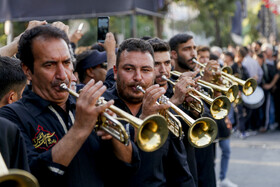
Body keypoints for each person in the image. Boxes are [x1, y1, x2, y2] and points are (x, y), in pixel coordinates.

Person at [0, 25, 139, 187]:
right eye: (49, 65)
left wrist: (116, 137)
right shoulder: (10, 116)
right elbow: (33, 177)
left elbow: (131, 166)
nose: (62, 75)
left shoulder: (90, 102)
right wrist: (80, 128)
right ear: (28, 71)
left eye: (66, 63)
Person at [102, 38, 195, 187]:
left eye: (145, 70)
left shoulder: (164, 110)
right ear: (115, 71)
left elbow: (181, 175)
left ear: (153, 74)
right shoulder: (101, 105)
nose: (138, 77)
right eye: (129, 69)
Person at [169, 33, 219, 187]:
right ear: (174, 54)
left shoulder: (198, 80)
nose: (193, 53)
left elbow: (215, 123)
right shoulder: (167, 83)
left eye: (194, 48)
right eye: (187, 49)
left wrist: (213, 88)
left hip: (204, 163)